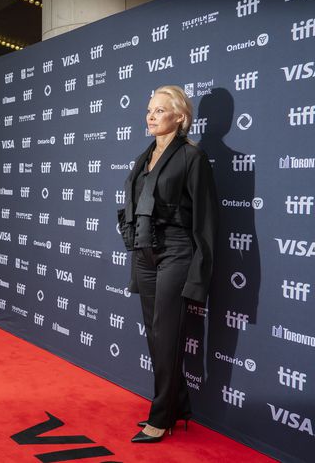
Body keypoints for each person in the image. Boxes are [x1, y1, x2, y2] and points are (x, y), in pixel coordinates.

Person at [118, 85, 217, 443]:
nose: (151, 116)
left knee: (167, 335)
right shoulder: (143, 158)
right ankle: (177, 406)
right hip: (145, 253)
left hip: (176, 252)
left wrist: (198, 278)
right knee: (156, 337)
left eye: (160, 110)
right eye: (149, 110)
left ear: (180, 116)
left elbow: (205, 222)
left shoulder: (192, 158)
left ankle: (160, 418)